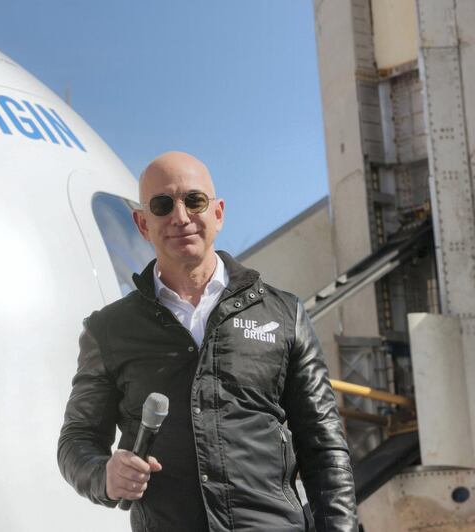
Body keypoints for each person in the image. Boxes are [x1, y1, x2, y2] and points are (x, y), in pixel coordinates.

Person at [57, 151, 357, 531]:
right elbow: (76, 441)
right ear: (142, 223)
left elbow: (325, 448)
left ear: (218, 212)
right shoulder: (109, 330)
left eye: (194, 201)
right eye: (162, 205)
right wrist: (104, 476)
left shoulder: (284, 314)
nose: (180, 217)